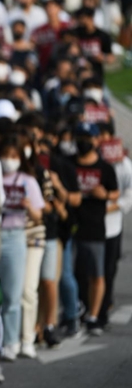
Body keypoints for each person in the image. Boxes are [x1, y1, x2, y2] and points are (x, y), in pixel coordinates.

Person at [0, 135, 45, 360]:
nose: (9, 160)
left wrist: (28, 207)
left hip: (16, 237)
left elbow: (38, 215)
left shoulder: (28, 180)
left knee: (13, 294)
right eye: (5, 155)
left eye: (13, 156)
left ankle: (12, 342)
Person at [71, 122, 119, 335]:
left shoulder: (105, 168)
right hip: (71, 226)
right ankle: (74, 311)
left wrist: (106, 195)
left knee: (96, 275)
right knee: (70, 274)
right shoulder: (68, 163)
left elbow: (115, 192)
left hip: (95, 227)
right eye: (80, 137)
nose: (84, 142)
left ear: (96, 140)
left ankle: (93, 316)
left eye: (87, 138)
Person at [99, 123, 132, 328]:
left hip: (113, 225)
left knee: (108, 269)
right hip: (91, 223)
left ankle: (104, 306)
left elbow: (130, 194)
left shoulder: (123, 164)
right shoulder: (91, 159)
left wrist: (114, 206)